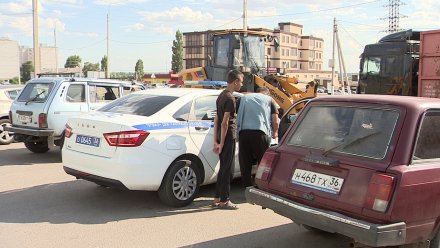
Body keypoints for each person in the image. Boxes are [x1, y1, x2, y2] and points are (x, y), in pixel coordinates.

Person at [212, 69, 243, 210]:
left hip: (220, 136)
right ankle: (224, 200)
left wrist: (216, 141)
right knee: (227, 170)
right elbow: (225, 123)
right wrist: (223, 143)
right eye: (241, 82)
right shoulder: (230, 98)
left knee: (223, 168)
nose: (241, 85)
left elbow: (216, 120)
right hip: (228, 137)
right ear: (235, 81)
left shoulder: (221, 96)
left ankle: (217, 197)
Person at [236, 86, 279, 187]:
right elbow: (275, 120)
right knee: (263, 162)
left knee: (245, 161)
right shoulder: (269, 100)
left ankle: (247, 185)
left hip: (243, 133)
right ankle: (260, 184)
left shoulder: (243, 98)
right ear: (267, 94)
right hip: (261, 133)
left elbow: (234, 114)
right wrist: (275, 132)